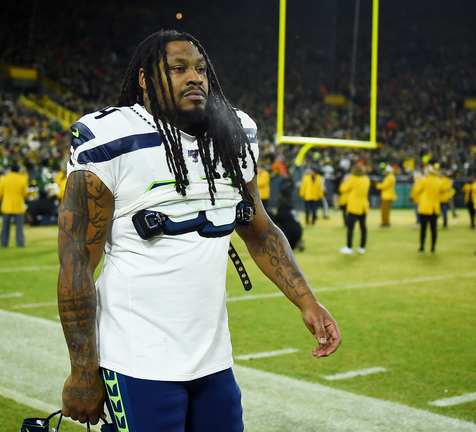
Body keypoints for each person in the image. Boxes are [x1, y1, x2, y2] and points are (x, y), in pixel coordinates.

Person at [56, 30, 341, 431]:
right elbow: (75, 263)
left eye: (201, 69)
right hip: (138, 359)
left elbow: (259, 231)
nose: (195, 77)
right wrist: (83, 370)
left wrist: (307, 301)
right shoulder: (110, 139)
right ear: (144, 79)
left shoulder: (232, 133)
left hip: (212, 360)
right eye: (178, 68)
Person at [413, 164, 449, 253]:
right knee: (433, 229)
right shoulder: (439, 181)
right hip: (434, 208)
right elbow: (444, 189)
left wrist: (417, 181)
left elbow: (416, 190)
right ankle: (433, 247)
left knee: (423, 229)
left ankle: (422, 247)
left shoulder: (424, 180)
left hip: (424, 207)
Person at [338, 164, 371, 254]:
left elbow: (343, 189)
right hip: (364, 206)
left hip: (354, 207)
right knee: (363, 227)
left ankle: (349, 247)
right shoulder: (366, 179)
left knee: (350, 227)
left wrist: (345, 180)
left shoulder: (352, 179)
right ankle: (362, 247)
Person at [268, 174, 304, 251]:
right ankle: (296, 242)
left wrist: (269, 213)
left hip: (292, 233)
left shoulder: (283, 209)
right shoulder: (290, 208)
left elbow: (275, 219)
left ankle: (278, 243)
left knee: (277, 227)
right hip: (299, 232)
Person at [0, 163, 29, 247]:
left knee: (5, 226)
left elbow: (0, 192)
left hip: (6, 205)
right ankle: (20, 243)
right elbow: (25, 193)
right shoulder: (22, 179)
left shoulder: (4, 179)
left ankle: (3, 243)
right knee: (19, 227)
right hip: (18, 205)